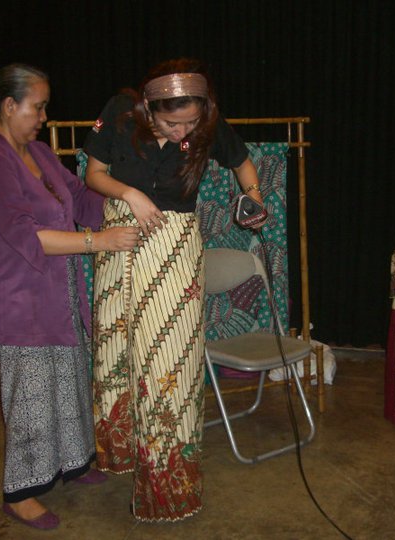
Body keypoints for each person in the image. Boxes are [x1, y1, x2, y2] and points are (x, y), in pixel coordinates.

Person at [83, 57, 266, 521]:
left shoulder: (207, 125)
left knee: (170, 365)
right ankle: (125, 456)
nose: (184, 131)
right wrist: (131, 194)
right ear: (148, 108)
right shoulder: (120, 112)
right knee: (117, 355)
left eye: (190, 122)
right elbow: (94, 174)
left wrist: (253, 197)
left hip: (174, 247)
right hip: (119, 242)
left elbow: (242, 162)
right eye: (172, 123)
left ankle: (167, 485)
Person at [0, 63, 140, 530]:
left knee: (68, 382)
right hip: (18, 298)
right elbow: (28, 235)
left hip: (58, 294)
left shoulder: (40, 154)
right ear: (9, 106)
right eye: (38, 107)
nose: (44, 116)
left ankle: (74, 463)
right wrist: (99, 242)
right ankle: (21, 492)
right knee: (31, 397)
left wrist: (127, 203)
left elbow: (79, 199)